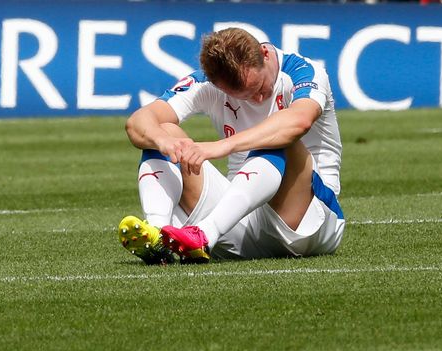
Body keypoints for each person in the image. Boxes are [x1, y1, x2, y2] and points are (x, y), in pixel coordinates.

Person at [118, 27, 344, 265]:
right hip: (239, 221)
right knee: (162, 131)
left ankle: (204, 233)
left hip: (308, 222)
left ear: (264, 53)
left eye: (259, 88)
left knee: (279, 137)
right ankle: (158, 236)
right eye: (242, 96)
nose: (256, 99)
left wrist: (221, 147)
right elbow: (137, 122)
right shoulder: (206, 83)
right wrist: (164, 142)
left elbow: (299, 121)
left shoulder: (303, 71)